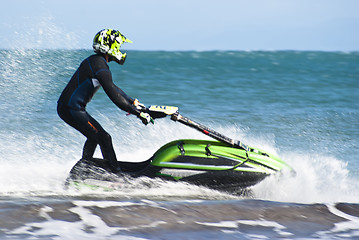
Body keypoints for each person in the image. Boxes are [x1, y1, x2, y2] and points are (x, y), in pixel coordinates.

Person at [57, 29, 153, 173]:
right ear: (111, 46)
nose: (120, 50)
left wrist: (132, 102)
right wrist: (137, 113)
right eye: (118, 46)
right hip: (72, 109)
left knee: (95, 137)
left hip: (68, 108)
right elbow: (114, 97)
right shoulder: (100, 66)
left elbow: (113, 88)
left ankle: (83, 169)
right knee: (104, 138)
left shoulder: (97, 62)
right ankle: (115, 174)